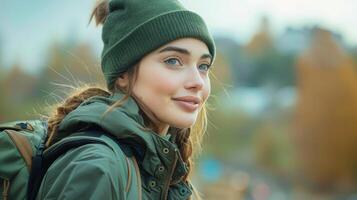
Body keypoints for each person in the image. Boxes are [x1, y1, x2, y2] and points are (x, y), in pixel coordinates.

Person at [36, 0, 216, 199]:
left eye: (203, 66)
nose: (197, 82)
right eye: (173, 61)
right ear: (123, 74)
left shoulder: (160, 169)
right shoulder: (98, 168)